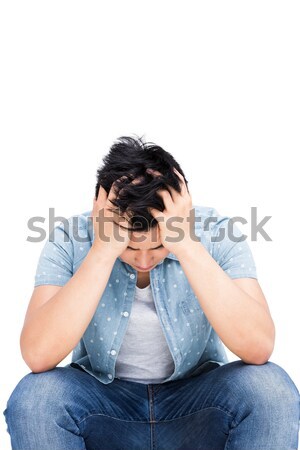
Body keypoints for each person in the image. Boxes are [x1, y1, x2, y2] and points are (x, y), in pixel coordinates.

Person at [3, 136, 300, 449]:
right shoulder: (70, 237)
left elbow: (258, 348)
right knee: (35, 398)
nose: (144, 260)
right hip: (103, 410)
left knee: (270, 390)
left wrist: (185, 243)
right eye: (130, 247)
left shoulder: (216, 231)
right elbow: (37, 355)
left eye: (158, 245)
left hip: (196, 410)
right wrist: (103, 251)